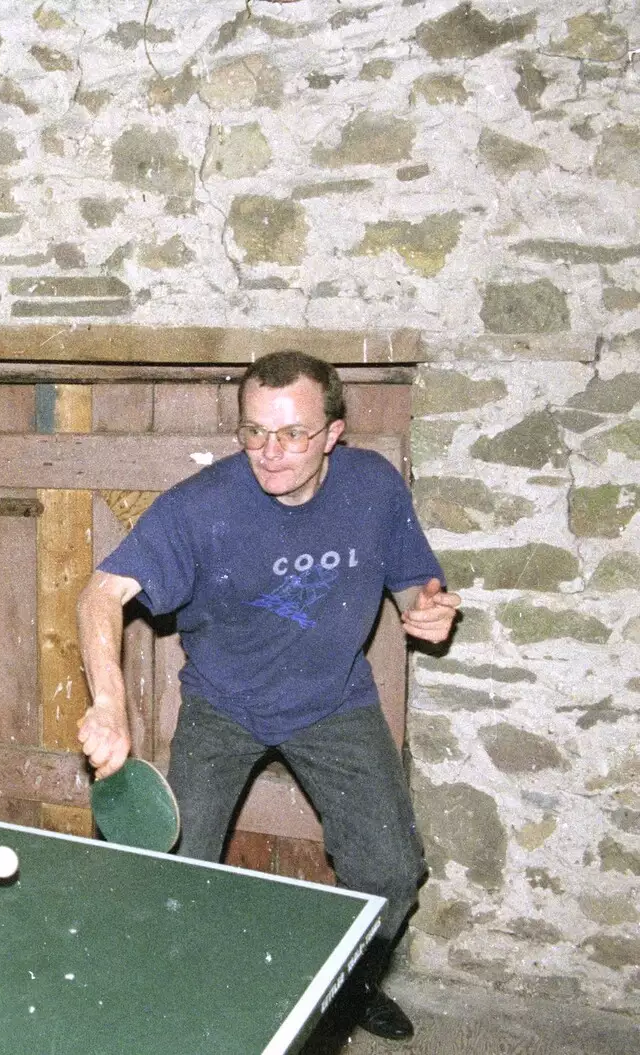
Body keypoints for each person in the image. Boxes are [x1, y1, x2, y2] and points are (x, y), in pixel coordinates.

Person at [76, 350, 459, 1041]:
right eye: (255, 432)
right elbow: (102, 593)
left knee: (393, 869)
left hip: (333, 701)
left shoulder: (374, 487)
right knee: (167, 867)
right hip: (223, 704)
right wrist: (109, 703)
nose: (270, 452)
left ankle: (348, 986)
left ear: (333, 433)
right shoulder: (203, 506)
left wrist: (424, 606)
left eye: (292, 435)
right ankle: (157, 1001)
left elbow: (411, 581)